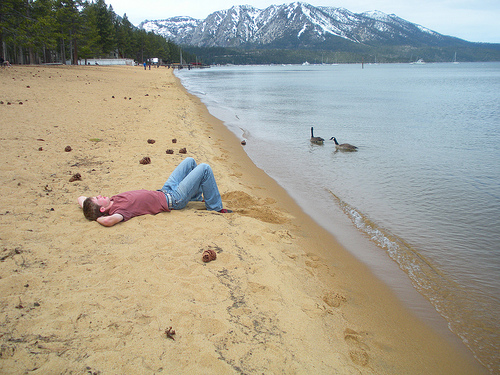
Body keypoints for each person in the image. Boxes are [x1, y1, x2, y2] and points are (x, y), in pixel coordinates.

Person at [78, 157, 232, 227]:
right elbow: (108, 221)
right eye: (98, 199)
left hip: (165, 190)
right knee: (204, 168)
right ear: (103, 208)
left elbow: (81, 198)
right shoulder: (119, 211)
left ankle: (197, 198)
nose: (99, 195)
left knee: (190, 161)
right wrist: (99, 217)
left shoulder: (112, 200)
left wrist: (92, 207)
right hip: (174, 199)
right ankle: (215, 207)